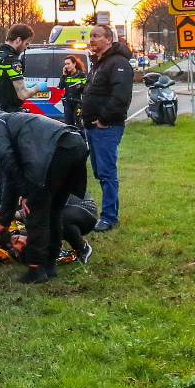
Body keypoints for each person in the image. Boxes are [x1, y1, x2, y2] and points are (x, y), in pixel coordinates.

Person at [0, 109, 91, 283]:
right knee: (53, 211)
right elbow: (11, 178)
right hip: (73, 144)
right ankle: (50, 266)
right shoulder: (9, 123)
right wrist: (4, 221)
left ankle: (36, 270)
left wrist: (27, 192)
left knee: (35, 211)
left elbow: (6, 159)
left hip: (57, 151)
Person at [79, 22, 134, 232]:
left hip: (106, 128)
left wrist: (103, 119)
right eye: (91, 36)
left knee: (107, 172)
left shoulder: (118, 63)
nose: (92, 39)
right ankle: (109, 215)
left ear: (109, 40)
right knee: (100, 173)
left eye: (96, 36)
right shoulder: (98, 62)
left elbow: (121, 96)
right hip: (92, 127)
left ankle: (109, 217)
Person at [0, 24, 35, 113]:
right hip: (9, 112)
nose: (26, 47)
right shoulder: (11, 60)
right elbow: (23, 94)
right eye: (26, 43)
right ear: (19, 40)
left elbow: (1, 83)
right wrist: (38, 87)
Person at [59, 53, 88, 126]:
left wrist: (80, 86)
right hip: (68, 102)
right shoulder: (66, 75)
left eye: (68, 64)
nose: (67, 66)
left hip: (78, 102)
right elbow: (61, 86)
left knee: (78, 122)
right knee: (68, 123)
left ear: (74, 64)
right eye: (65, 64)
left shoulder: (81, 75)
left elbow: (87, 87)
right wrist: (64, 75)